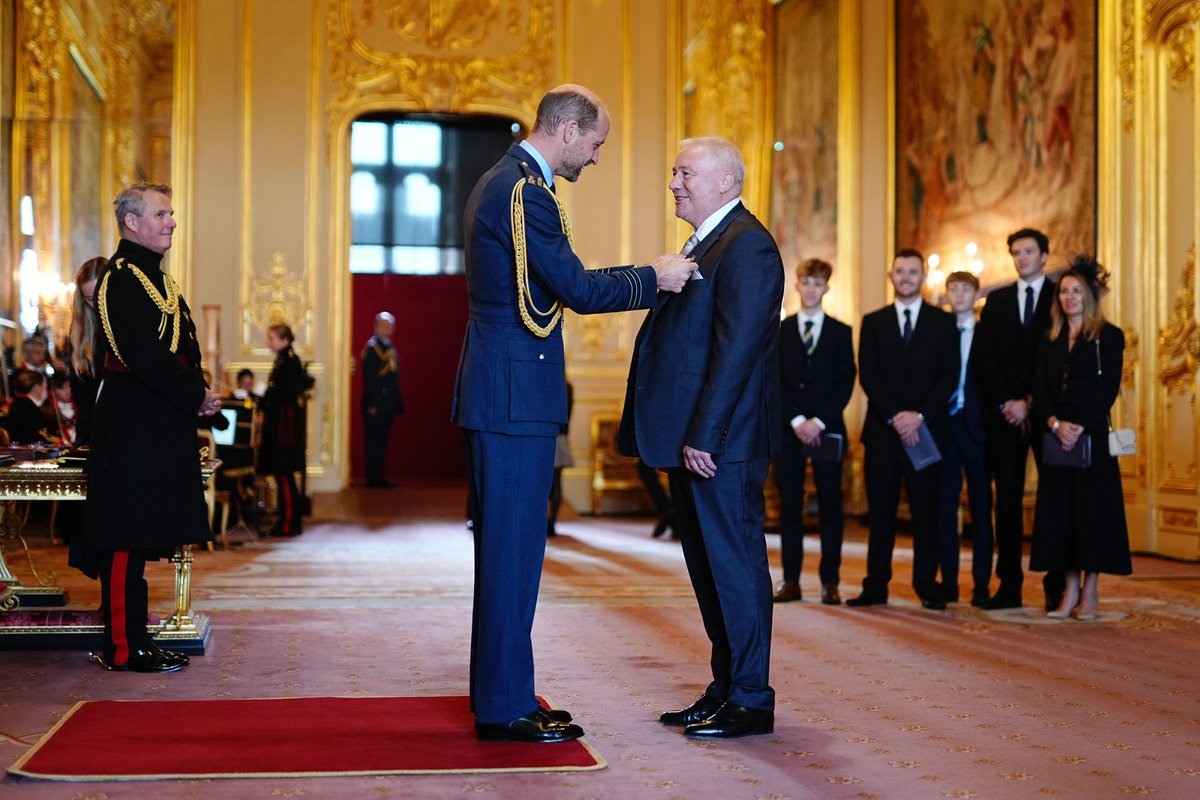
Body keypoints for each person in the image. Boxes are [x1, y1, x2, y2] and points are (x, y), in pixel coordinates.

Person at [452, 84, 694, 744]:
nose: (596, 156)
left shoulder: (507, 180)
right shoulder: (524, 191)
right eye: (595, 143)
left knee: (511, 550)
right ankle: (504, 709)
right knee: (511, 552)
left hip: (504, 389)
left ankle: (503, 692)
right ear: (565, 130)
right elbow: (579, 289)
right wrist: (654, 276)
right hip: (513, 395)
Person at [618, 136, 784, 739]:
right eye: (673, 171)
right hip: (697, 441)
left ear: (724, 182)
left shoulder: (748, 247)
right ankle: (726, 686)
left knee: (735, 568)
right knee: (709, 570)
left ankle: (751, 697)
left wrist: (705, 436)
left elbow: (736, 353)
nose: (674, 183)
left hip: (721, 445)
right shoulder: (710, 243)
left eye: (685, 172)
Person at [84, 182, 221, 673]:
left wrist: (202, 396)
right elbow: (141, 356)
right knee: (124, 534)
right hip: (131, 425)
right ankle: (123, 646)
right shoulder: (119, 279)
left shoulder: (162, 282)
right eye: (162, 214)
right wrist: (193, 395)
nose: (172, 222)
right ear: (132, 222)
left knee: (143, 534)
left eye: (172, 213)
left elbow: (186, 347)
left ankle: (137, 637)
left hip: (161, 422)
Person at [849, 249, 959, 610]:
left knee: (926, 513)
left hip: (926, 434)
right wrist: (897, 416)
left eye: (914, 271)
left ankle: (927, 585)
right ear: (891, 276)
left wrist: (919, 416)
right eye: (901, 271)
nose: (907, 276)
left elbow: (949, 376)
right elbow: (869, 373)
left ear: (923, 277)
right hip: (883, 434)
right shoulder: (874, 321)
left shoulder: (943, 323)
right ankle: (875, 586)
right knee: (880, 514)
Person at [1030, 256, 1130, 620]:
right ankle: (1069, 590)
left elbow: (1108, 389)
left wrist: (1079, 426)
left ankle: (1090, 591)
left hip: (1093, 439)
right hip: (1057, 438)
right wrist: (1056, 424)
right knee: (1062, 515)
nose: (1069, 297)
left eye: (1076, 291)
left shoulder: (1109, 336)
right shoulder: (1049, 338)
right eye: (1064, 291)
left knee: (1091, 513)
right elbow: (1039, 388)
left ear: (1089, 296)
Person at [975, 227, 1059, 610]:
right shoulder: (998, 301)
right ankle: (1008, 585)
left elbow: (1061, 360)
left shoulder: (1063, 298)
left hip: (1048, 417)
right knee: (1005, 504)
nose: (1022, 257)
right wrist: (1006, 403)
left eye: (1029, 251)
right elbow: (984, 359)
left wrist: (1030, 401)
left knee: (1055, 499)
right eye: (1016, 252)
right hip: (1004, 417)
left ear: (1044, 255)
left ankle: (1057, 586)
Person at [772, 258, 856, 606]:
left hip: (827, 430)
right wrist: (796, 421)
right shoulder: (781, 331)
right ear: (798, 286)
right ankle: (791, 580)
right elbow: (774, 380)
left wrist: (818, 422)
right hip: (788, 431)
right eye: (806, 283)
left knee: (830, 506)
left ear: (826, 288)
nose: (811, 289)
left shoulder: (840, 332)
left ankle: (830, 582)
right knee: (790, 506)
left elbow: (845, 382)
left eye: (817, 284)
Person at [938, 271, 993, 607]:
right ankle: (948, 582)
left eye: (965, 289)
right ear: (946, 295)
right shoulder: (939, 331)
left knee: (981, 508)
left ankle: (982, 583)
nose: (959, 295)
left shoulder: (987, 333)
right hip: (944, 429)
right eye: (953, 289)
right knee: (945, 508)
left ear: (976, 295)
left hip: (978, 429)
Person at [258, 323, 308, 537]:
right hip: (280, 424)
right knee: (282, 474)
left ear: (285, 340)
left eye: (272, 338)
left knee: (285, 473)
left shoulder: (290, 361)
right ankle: (286, 521)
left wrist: (265, 394)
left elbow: (285, 393)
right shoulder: (284, 360)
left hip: (284, 427)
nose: (269, 342)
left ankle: (289, 522)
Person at [67, 256, 109, 448]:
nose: (96, 305)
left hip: (122, 431)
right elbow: (80, 391)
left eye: (100, 296)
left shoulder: (127, 328)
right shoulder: (80, 334)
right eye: (89, 299)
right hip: (90, 434)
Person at [360, 311, 404, 488]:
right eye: (385, 325)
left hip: (386, 404)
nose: (388, 329)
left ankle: (379, 474)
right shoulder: (373, 348)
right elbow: (369, 378)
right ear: (376, 326)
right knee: (374, 441)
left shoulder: (388, 348)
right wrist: (372, 403)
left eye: (390, 325)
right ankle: (374, 476)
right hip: (376, 404)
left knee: (382, 440)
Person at [547, 378, 573, 537]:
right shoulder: (567, 386)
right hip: (561, 437)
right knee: (556, 483)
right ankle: (552, 522)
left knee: (545, 484)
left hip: (549, 437)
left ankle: (546, 522)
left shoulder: (549, 383)